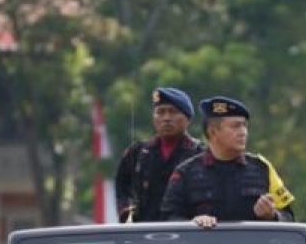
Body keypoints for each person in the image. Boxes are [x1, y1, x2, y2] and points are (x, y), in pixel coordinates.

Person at [161, 96, 296, 226]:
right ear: (213, 132)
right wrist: (193, 223)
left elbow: (289, 218)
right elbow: (168, 218)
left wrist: (272, 216)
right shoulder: (185, 173)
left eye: (244, 126)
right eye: (235, 126)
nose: (243, 132)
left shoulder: (262, 168)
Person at [115, 87, 203, 222]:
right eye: (160, 112)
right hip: (144, 233)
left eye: (173, 112)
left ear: (188, 118)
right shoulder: (138, 153)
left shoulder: (200, 154)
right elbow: (122, 186)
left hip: (186, 233)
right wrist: (126, 211)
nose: (166, 118)